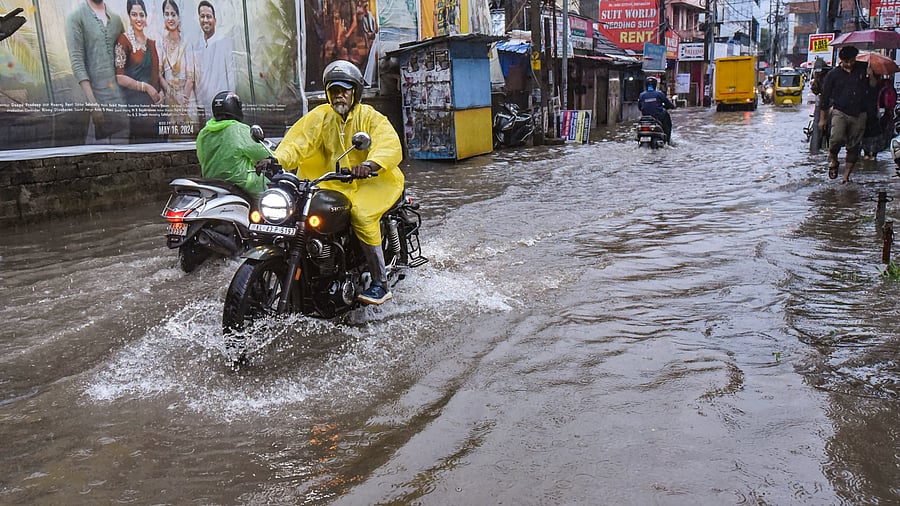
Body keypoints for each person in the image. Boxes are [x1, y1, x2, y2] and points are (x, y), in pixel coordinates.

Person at [259, 60, 404, 305]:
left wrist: (369, 164)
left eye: (345, 89)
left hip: (373, 181)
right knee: (296, 210)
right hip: (331, 182)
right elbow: (298, 142)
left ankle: (380, 282)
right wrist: (275, 159)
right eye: (334, 90)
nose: (339, 95)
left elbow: (388, 144)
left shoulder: (370, 117)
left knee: (361, 214)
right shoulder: (321, 116)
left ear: (355, 91)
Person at [65, 0, 128, 142]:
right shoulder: (76, 17)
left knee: (127, 156)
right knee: (100, 158)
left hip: (121, 104)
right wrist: (93, 104)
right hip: (97, 107)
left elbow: (125, 58)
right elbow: (77, 62)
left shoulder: (116, 20)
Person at [819, 45, 879, 183]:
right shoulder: (833, 74)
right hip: (840, 111)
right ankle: (833, 160)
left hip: (860, 113)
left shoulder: (864, 68)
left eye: (852, 61)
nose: (850, 64)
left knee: (854, 145)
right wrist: (822, 119)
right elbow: (825, 97)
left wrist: (871, 76)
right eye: (847, 62)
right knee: (835, 139)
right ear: (841, 60)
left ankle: (846, 176)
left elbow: (874, 86)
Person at [195, 91, 270, 199]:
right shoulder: (238, 129)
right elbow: (262, 154)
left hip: (213, 184)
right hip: (243, 185)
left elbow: (201, 158)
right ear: (236, 108)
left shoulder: (203, 133)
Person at [115, 0, 164, 143]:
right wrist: (145, 87)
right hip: (137, 108)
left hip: (156, 106)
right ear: (129, 16)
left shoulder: (151, 43)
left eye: (141, 15)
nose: (138, 19)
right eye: (134, 14)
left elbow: (157, 73)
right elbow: (119, 77)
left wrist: (161, 93)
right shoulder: (123, 41)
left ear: (146, 16)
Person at [158, 0, 196, 139]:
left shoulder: (186, 43)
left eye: (173, 14)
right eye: (167, 14)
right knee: (173, 138)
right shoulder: (160, 43)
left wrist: (183, 103)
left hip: (187, 98)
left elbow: (190, 77)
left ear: (178, 18)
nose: (170, 18)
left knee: (191, 138)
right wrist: (175, 97)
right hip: (170, 98)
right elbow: (159, 75)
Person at [194, 0, 236, 121]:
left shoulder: (224, 43)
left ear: (215, 20)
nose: (205, 20)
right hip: (205, 107)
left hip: (223, 106)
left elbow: (231, 75)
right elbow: (197, 79)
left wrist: (230, 101)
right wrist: (199, 105)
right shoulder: (197, 46)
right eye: (202, 16)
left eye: (209, 16)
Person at [638, 76, 675, 144]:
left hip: (645, 118)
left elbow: (639, 107)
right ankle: (667, 140)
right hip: (658, 117)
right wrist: (672, 106)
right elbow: (669, 104)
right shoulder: (659, 94)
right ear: (655, 85)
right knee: (667, 119)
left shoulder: (641, 95)